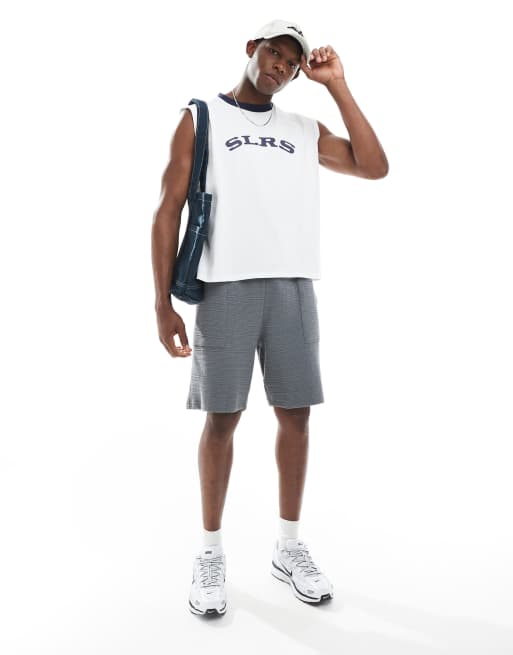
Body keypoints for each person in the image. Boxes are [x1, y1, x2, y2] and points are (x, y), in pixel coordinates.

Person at [151, 19, 389, 616]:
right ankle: (210, 554)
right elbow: (167, 210)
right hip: (226, 287)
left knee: (296, 416)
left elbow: (374, 166)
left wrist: (336, 85)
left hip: (292, 286)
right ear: (251, 49)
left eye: (291, 62)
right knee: (222, 420)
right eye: (273, 53)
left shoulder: (303, 130)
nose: (280, 66)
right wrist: (161, 304)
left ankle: (289, 548)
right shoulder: (202, 115)